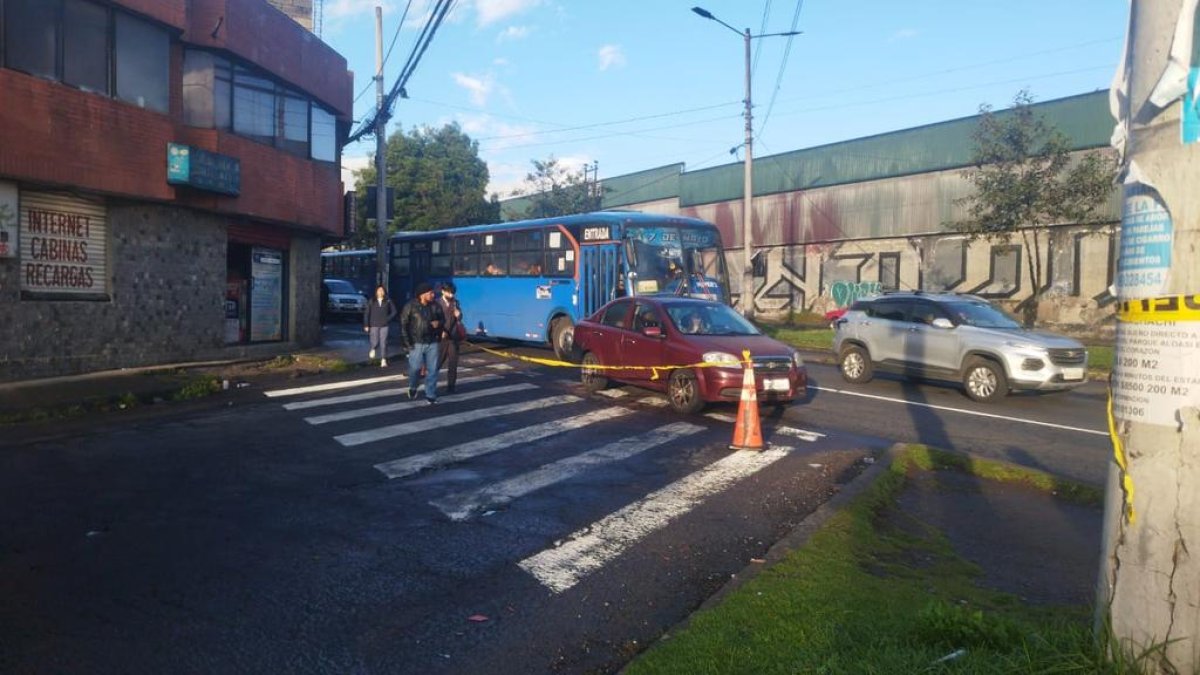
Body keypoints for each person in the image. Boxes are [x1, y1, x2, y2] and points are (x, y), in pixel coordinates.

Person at [399, 282, 445, 403]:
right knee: (415, 369)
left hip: (433, 342)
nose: (433, 294)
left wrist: (439, 323)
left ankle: (430, 394)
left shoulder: (436, 306)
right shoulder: (410, 306)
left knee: (433, 370)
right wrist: (407, 343)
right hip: (416, 343)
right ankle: (413, 386)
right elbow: (404, 325)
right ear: (422, 294)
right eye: (430, 292)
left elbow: (442, 319)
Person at [437, 281, 465, 393]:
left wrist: (459, 315)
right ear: (443, 291)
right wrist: (439, 331)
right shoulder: (437, 303)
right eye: (449, 293)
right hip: (441, 338)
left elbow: (460, 317)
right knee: (437, 363)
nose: (451, 295)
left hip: (453, 337)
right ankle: (431, 384)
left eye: (453, 293)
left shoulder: (455, 303)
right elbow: (433, 319)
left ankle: (451, 387)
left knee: (453, 364)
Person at [363, 285, 397, 367]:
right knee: (375, 340)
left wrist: (387, 319)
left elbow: (394, 311)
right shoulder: (372, 301)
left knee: (384, 342)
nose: (380, 292)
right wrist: (366, 324)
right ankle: (373, 348)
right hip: (373, 324)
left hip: (384, 325)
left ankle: (383, 359)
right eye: (379, 290)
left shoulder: (388, 301)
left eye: (382, 291)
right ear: (376, 292)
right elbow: (367, 313)